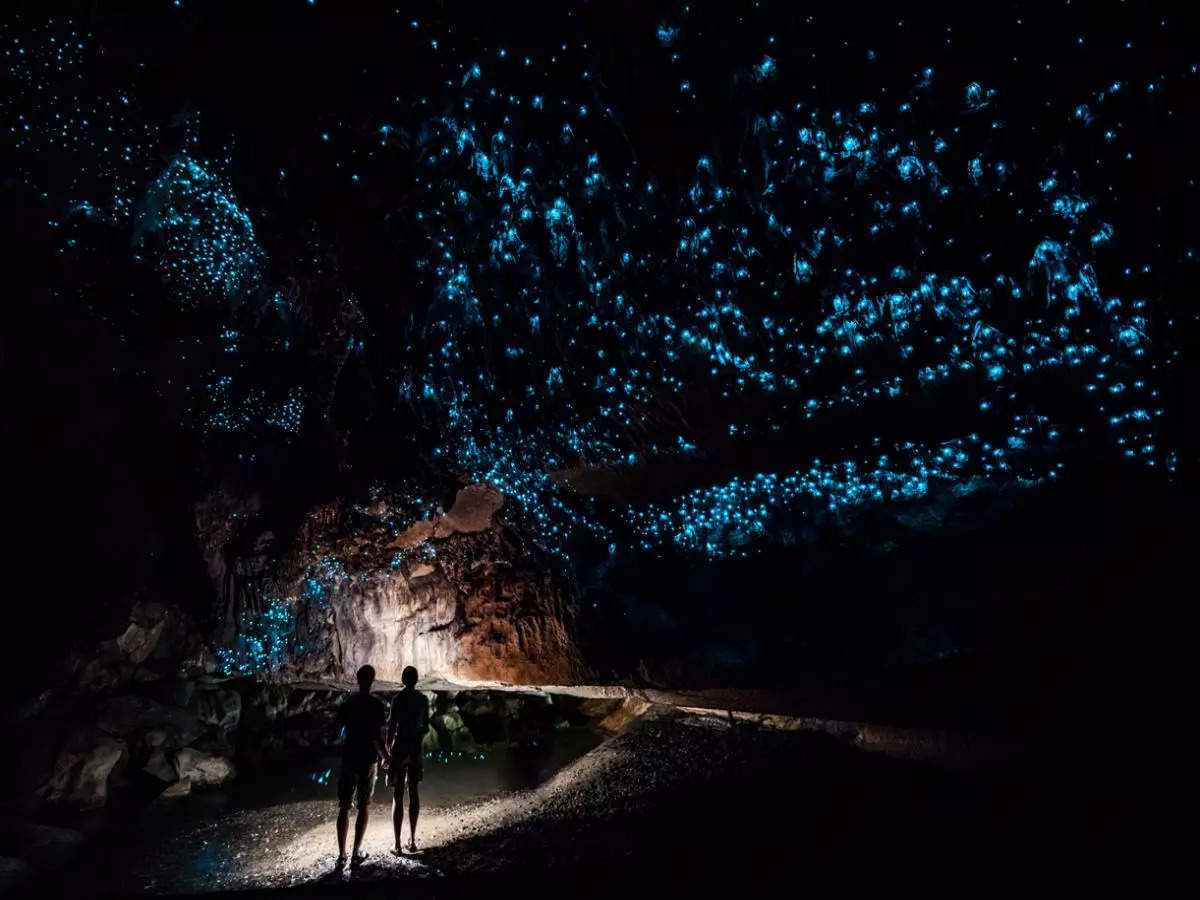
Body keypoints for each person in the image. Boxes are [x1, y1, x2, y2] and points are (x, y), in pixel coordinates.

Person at [333, 664, 387, 870]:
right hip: (367, 760)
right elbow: (377, 736)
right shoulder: (376, 704)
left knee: (344, 807)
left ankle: (341, 855)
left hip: (349, 758)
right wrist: (386, 756)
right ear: (372, 680)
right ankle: (356, 853)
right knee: (363, 805)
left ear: (357, 679)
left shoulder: (348, 703)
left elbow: (338, 729)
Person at [386, 665, 430, 853]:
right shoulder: (423, 699)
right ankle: (412, 841)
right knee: (414, 793)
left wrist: (388, 749)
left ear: (403, 680)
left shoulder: (397, 699)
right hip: (415, 748)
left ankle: (397, 844)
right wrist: (418, 737)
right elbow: (426, 727)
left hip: (400, 747)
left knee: (397, 795)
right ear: (416, 679)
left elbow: (391, 725)